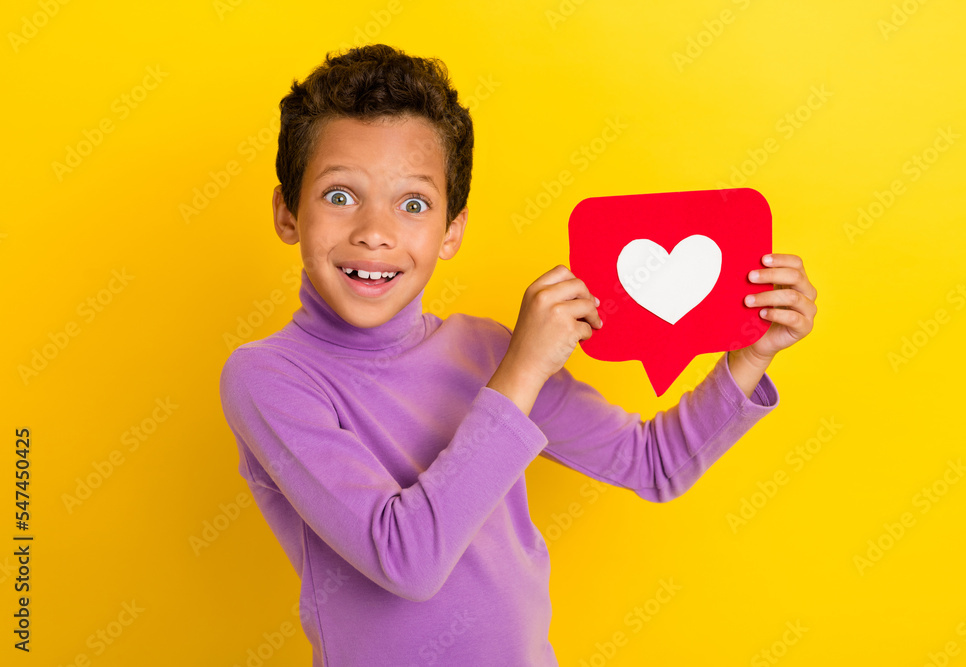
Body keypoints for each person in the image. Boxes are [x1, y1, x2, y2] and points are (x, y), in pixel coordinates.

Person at [218, 43, 817, 666]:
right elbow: (405, 559)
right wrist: (523, 371)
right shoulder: (269, 376)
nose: (375, 231)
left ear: (452, 230)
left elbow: (653, 464)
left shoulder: (486, 351)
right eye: (340, 196)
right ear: (288, 214)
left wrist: (750, 357)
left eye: (414, 204)